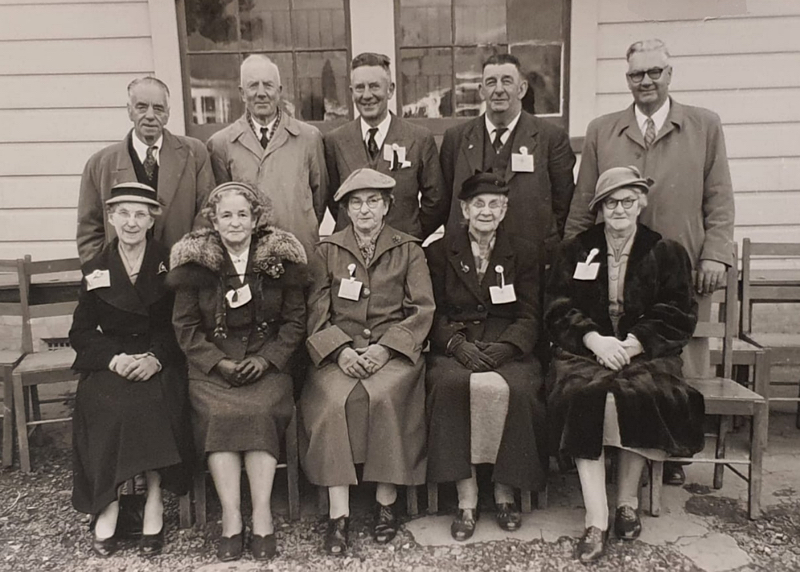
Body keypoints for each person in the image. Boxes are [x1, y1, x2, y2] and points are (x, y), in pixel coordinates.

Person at [563, 39, 734, 485]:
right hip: (612, 268)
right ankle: (612, 450)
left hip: (681, 269)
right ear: (627, 79)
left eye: (655, 72)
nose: (646, 81)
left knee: (672, 365)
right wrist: (571, 258)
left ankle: (668, 455)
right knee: (610, 367)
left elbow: (719, 196)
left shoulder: (703, 125)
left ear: (669, 74)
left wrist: (715, 253)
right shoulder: (604, 130)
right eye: (637, 74)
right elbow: (584, 202)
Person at [546, 166, 705, 563]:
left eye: (627, 201)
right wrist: (594, 339)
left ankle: (627, 502)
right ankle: (596, 517)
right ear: (600, 208)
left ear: (641, 203)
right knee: (582, 394)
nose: (619, 209)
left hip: (646, 351)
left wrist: (633, 345)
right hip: (585, 351)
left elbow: (677, 312)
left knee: (643, 391)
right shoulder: (575, 250)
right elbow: (558, 307)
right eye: (611, 203)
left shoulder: (666, 252)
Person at [168, 182, 307, 562]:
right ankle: (231, 517)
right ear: (213, 221)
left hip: (267, 366)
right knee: (219, 414)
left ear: (255, 219)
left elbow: (295, 322)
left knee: (260, 410)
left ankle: (261, 514)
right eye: (226, 215)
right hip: (212, 370)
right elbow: (185, 327)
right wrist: (217, 362)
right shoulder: (196, 263)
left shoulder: (279, 258)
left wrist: (267, 359)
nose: (234, 222)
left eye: (242, 214)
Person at [299, 168, 434, 555]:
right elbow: (316, 313)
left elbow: (422, 310)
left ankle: (385, 503)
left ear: (387, 206)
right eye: (355, 203)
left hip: (392, 354)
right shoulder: (327, 251)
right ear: (345, 209)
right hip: (337, 353)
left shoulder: (409, 249)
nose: (364, 210)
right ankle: (338, 514)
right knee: (332, 401)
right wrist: (339, 350)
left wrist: (386, 349)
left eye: (373, 201)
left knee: (386, 396)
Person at [69, 182, 194, 558]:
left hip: (159, 359)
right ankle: (108, 502)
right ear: (110, 217)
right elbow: (81, 332)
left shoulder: (170, 264)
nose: (131, 222)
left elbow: (182, 324)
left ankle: (154, 499)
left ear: (152, 220)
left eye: (140, 214)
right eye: (123, 213)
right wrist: (113, 359)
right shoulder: (96, 268)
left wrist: (156, 358)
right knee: (106, 406)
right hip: (113, 361)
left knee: (154, 402)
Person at [425, 172, 548, 541]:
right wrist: (455, 345)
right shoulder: (440, 251)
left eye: (495, 204)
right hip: (457, 346)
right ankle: (467, 496)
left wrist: (507, 347)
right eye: (478, 204)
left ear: (505, 210)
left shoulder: (523, 251)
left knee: (520, 390)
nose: (486, 211)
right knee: (449, 386)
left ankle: (505, 491)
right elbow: (431, 311)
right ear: (464, 210)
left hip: (506, 346)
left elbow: (530, 314)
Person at [439, 53, 575, 261]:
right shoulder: (456, 138)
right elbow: (445, 201)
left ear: (522, 89)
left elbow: (563, 203)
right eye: (491, 82)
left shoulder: (551, 138)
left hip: (530, 261)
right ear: (481, 91)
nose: (499, 90)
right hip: (469, 261)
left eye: (507, 81)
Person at [77, 76, 214, 264]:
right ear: (130, 111)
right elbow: (89, 231)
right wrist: (103, 274)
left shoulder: (195, 154)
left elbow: (206, 216)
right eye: (141, 107)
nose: (150, 115)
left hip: (180, 271)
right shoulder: (100, 163)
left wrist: (190, 267)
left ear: (167, 114)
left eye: (158, 108)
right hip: (123, 275)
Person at [207, 54, 329, 257]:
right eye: (253, 86)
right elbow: (221, 206)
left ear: (279, 91)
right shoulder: (221, 143)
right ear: (242, 93)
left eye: (268, 85)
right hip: (247, 254)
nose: (261, 93)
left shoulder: (309, 137)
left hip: (300, 252)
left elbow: (320, 199)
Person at [324, 52, 448, 240]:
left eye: (374, 86)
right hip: (351, 250)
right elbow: (335, 201)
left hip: (401, 249)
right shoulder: (335, 141)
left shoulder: (419, 138)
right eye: (360, 88)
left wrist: (409, 236)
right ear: (351, 92)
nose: (367, 95)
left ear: (390, 90)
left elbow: (436, 202)